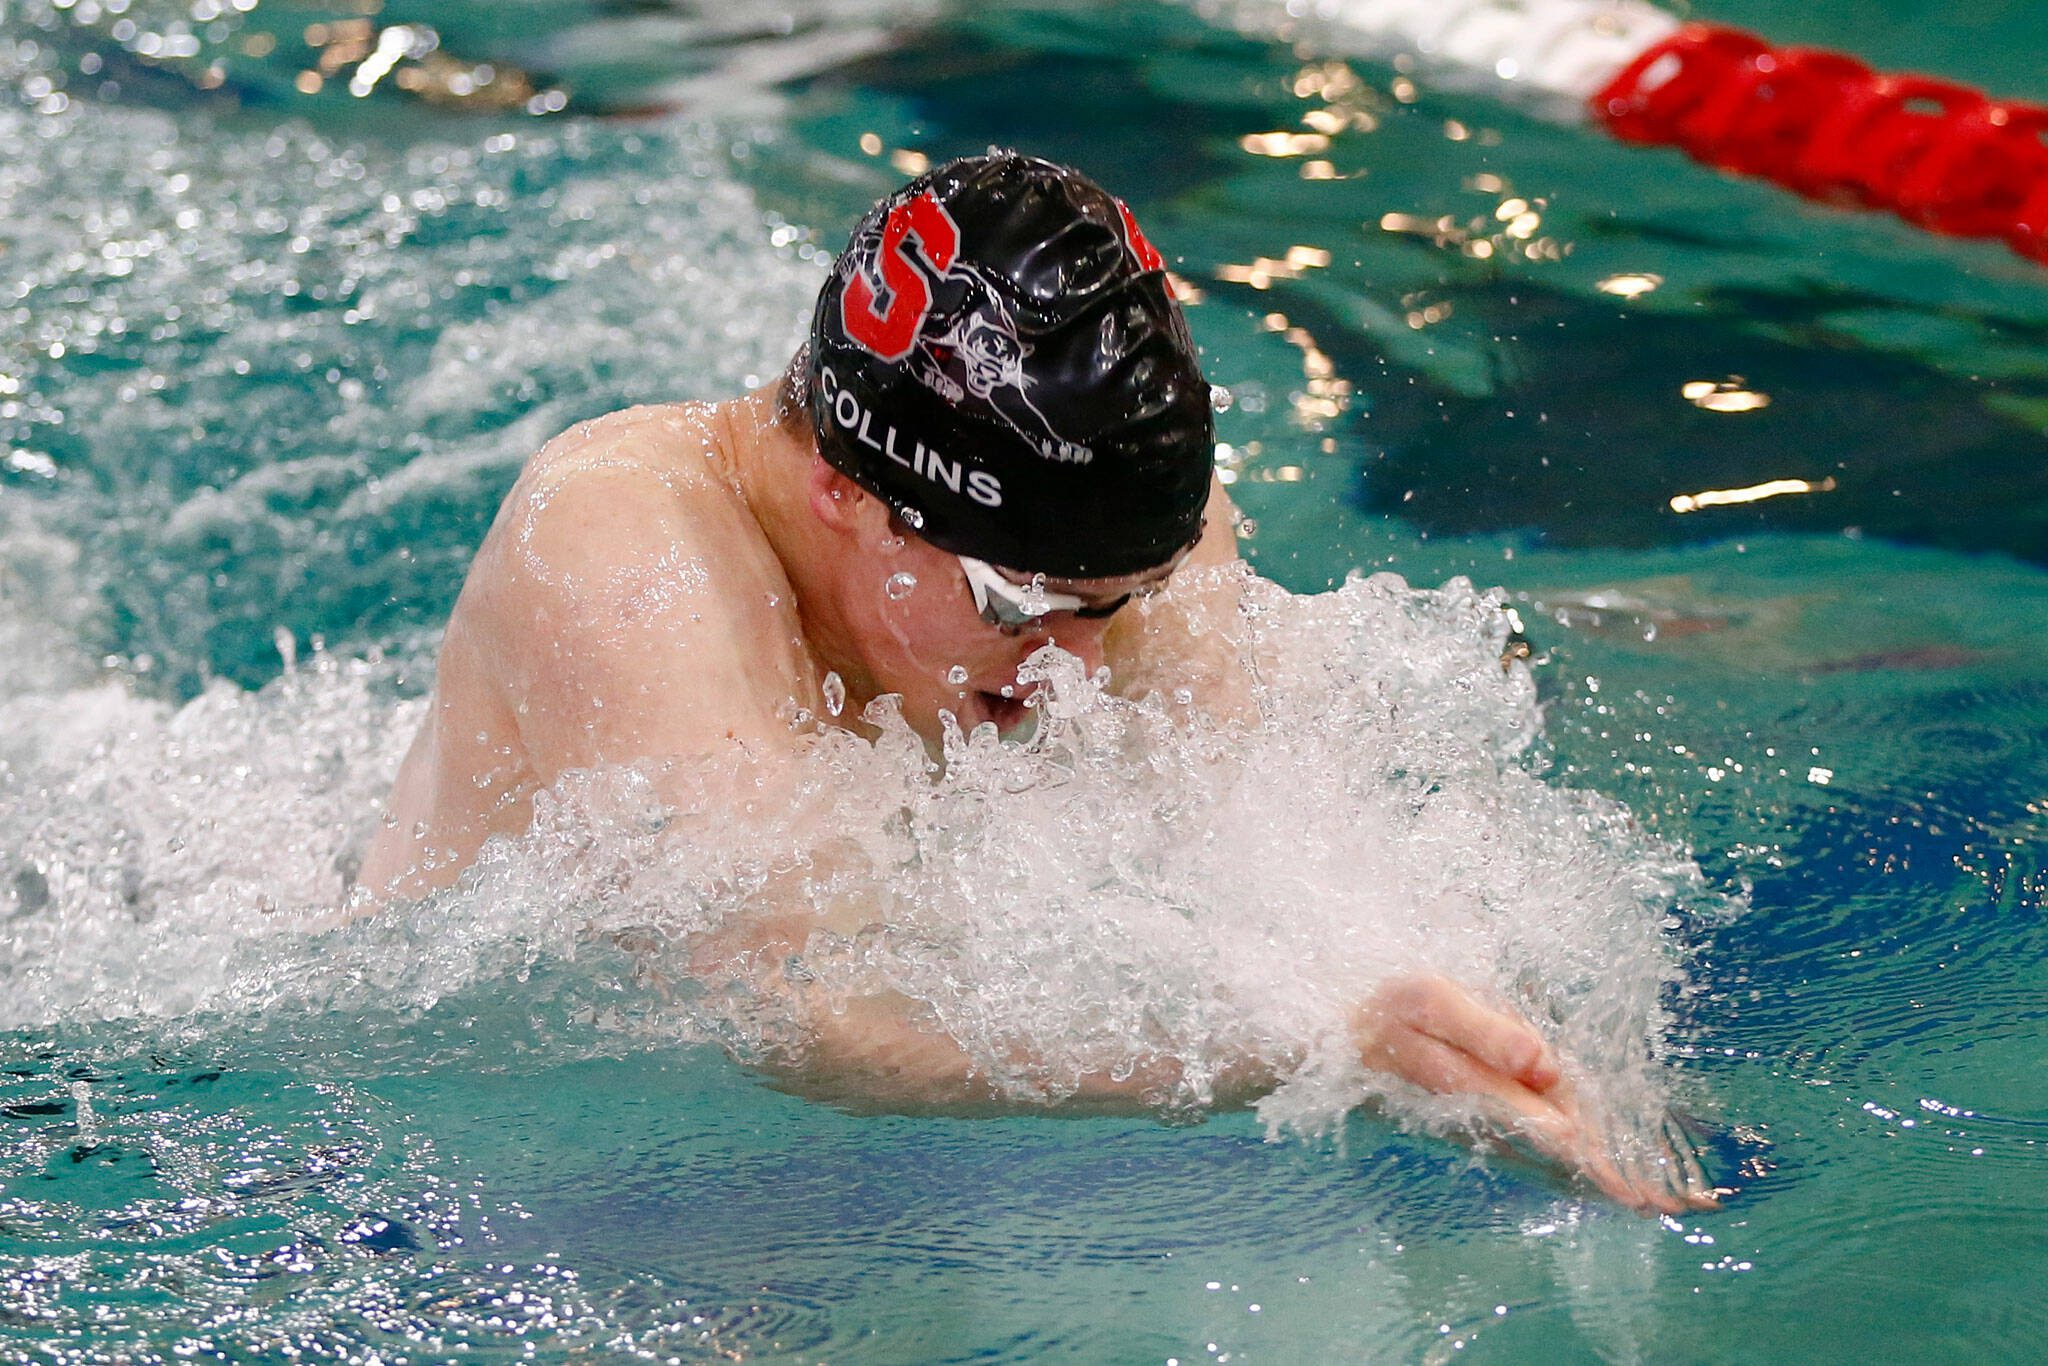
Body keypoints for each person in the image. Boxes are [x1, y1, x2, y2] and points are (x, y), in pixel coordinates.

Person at [357, 151, 1711, 1212]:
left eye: (1114, 611)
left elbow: (1249, 845)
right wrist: (1297, 1046)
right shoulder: (621, 557)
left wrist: (1465, 1018)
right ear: (841, 486)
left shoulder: (1092, 544)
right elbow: (793, 1015)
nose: (1077, 673)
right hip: (492, 1135)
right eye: (1018, 610)